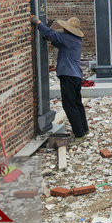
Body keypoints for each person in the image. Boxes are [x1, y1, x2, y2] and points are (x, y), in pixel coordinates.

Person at [31, 14, 89, 143]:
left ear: (67, 30)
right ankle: (84, 129)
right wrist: (49, 38)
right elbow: (57, 40)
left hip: (68, 76)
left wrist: (38, 23)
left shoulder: (67, 38)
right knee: (77, 103)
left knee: (69, 105)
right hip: (76, 76)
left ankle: (79, 134)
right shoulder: (75, 40)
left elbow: (52, 34)